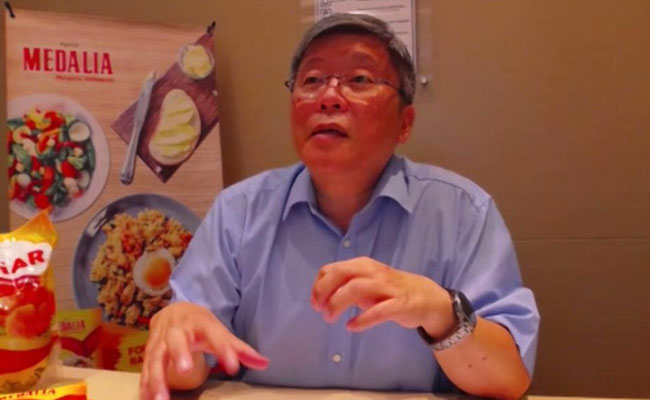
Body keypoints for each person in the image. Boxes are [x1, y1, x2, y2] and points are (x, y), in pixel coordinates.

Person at [140, 13, 539, 400]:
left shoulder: (462, 212)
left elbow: (507, 380)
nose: (329, 97)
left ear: (405, 123)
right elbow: (183, 374)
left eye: (359, 79)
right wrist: (178, 335)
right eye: (312, 80)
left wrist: (439, 312)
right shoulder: (238, 212)